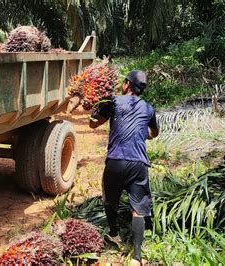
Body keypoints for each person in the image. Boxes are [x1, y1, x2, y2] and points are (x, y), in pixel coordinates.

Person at [89, 70, 159, 265]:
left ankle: (114, 234)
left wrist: (96, 108)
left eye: (124, 82)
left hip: (116, 161)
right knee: (138, 210)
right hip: (138, 163)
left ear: (127, 85)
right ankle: (136, 257)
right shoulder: (148, 108)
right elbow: (154, 133)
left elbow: (92, 124)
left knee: (110, 199)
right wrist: (141, 132)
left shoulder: (113, 101)